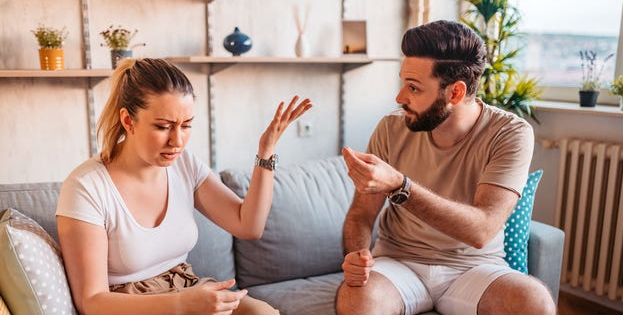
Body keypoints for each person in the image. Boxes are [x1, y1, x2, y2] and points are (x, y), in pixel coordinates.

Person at [56, 58, 312, 315]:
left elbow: (248, 225)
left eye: (186, 125)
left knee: (261, 313)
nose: (177, 141)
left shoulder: (184, 165)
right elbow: (91, 301)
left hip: (187, 289)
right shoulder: (85, 188)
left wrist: (265, 153)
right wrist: (182, 304)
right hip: (134, 308)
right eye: (163, 126)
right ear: (128, 120)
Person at [335, 20, 556, 315]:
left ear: (454, 93)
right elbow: (362, 214)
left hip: (475, 268)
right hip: (399, 264)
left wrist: (401, 187)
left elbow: (482, 229)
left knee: (535, 301)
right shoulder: (390, 129)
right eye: (403, 83)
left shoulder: (510, 133)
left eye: (413, 87)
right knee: (358, 300)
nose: (400, 98)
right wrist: (356, 256)